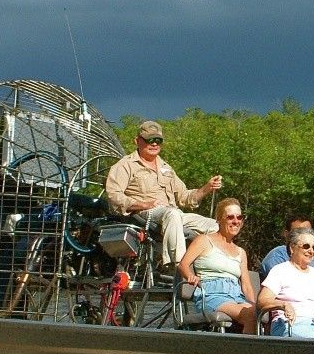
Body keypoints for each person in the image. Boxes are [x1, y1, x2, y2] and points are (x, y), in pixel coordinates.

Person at [105, 120, 222, 268]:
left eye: (158, 141)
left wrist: (207, 187)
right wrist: (143, 204)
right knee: (172, 214)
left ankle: (211, 267)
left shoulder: (166, 168)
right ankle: (178, 265)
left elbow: (184, 197)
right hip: (144, 213)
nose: (154, 144)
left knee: (215, 226)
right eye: (150, 140)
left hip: (173, 214)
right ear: (137, 141)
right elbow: (113, 195)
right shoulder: (125, 165)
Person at [179, 198, 257, 334]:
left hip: (236, 296)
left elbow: (246, 285)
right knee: (250, 315)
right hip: (212, 295)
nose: (236, 221)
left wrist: (254, 304)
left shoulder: (241, 252)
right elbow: (183, 264)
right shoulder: (204, 240)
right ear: (219, 219)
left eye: (239, 217)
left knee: (262, 314)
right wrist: (190, 276)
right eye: (230, 217)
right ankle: (246, 353)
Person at [259, 214, 314, 282]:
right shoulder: (276, 258)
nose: (305, 236)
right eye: (299, 232)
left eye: (309, 232)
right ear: (286, 234)